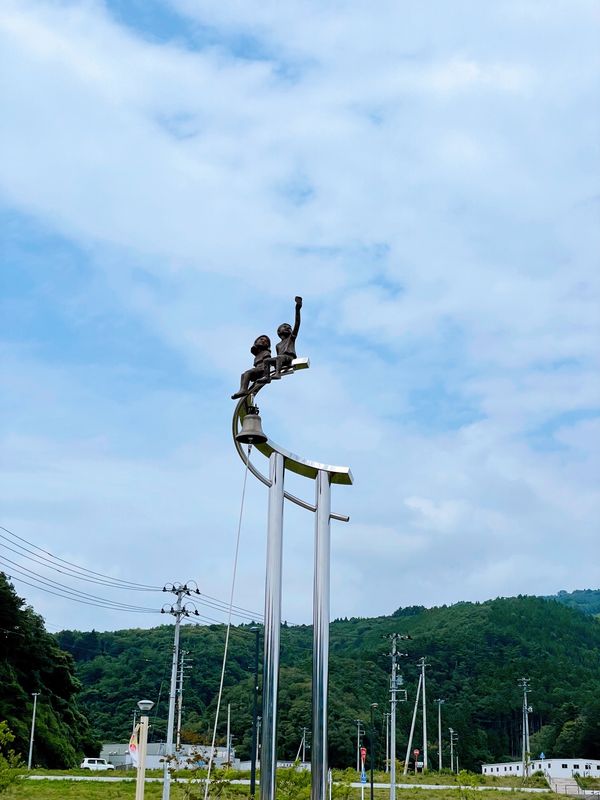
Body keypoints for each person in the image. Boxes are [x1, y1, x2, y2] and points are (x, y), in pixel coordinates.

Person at [231, 335, 272, 399]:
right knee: (243, 375)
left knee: (248, 373)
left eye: (266, 341)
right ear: (256, 342)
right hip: (258, 369)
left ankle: (243, 390)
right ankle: (243, 389)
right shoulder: (257, 356)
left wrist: (266, 371)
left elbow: (268, 361)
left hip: (262, 369)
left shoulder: (266, 353)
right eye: (261, 339)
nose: (263, 341)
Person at [271, 296, 302, 379]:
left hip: (289, 358)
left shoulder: (291, 338)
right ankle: (266, 376)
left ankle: (277, 374)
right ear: (279, 331)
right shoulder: (277, 345)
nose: (288, 328)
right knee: (267, 361)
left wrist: (297, 309)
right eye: (285, 326)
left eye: (289, 327)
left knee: (279, 358)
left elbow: (297, 323)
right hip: (282, 359)